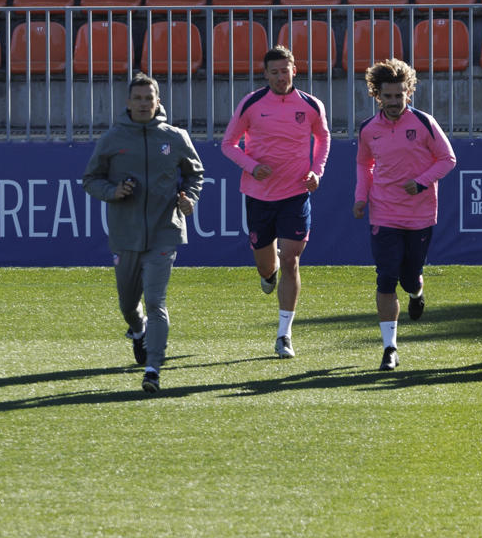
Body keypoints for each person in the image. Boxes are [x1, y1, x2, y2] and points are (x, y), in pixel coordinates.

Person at [82, 74, 205, 394]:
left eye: (148, 98)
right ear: (127, 102)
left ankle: (153, 369)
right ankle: (138, 332)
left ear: (158, 101)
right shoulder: (112, 138)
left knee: (155, 300)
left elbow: (195, 173)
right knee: (128, 305)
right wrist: (114, 191)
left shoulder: (175, 137)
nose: (143, 103)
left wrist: (188, 198)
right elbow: (90, 179)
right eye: (137, 98)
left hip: (166, 231)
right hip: (126, 234)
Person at [220, 45, 331, 358]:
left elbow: (323, 138)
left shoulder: (310, 105)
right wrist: (252, 166)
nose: (281, 77)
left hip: (296, 193)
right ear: (265, 74)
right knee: (267, 265)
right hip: (259, 196)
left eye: (286, 70)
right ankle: (267, 276)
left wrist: (316, 171)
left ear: (294, 69)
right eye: (274, 72)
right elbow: (229, 144)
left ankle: (284, 334)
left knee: (291, 260)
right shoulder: (252, 103)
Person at [354, 58, 456, 370]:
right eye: (388, 96)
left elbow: (447, 159)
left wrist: (422, 182)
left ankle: (417, 291)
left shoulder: (424, 123)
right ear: (378, 96)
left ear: (408, 93)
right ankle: (389, 348)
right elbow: (364, 164)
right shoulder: (369, 130)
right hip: (383, 213)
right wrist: (361, 197)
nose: (395, 102)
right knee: (386, 278)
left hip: (419, 215)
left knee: (410, 277)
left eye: (400, 95)